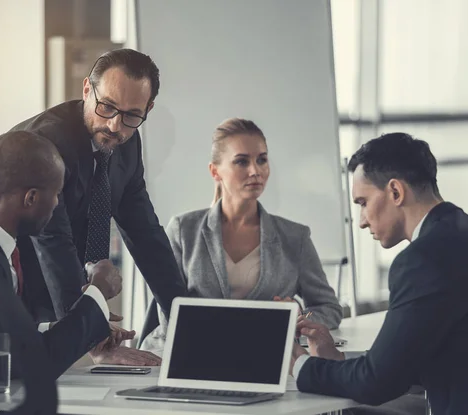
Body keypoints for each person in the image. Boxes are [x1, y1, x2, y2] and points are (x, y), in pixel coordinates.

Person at [0, 48, 187, 364]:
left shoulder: (126, 144)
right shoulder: (50, 142)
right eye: (107, 107)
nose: (116, 125)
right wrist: (92, 334)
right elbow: (53, 241)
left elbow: (148, 237)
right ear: (87, 89)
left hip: (22, 271)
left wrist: (188, 321)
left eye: (132, 115)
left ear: (147, 109)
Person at [0, 132, 160, 410]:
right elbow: (31, 362)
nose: (58, 205)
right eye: (57, 194)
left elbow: (4, 335)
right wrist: (97, 292)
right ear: (31, 198)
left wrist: (91, 331)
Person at [290, 132, 468, 414]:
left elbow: (377, 383)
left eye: (362, 202)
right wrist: (338, 361)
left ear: (395, 192)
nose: (361, 221)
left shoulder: (423, 260)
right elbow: (426, 358)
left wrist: (299, 363)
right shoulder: (458, 231)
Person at [141, 118, 342, 352]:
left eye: (262, 160)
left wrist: (299, 316)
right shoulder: (184, 230)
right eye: (241, 162)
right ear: (215, 171)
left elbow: (329, 308)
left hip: (265, 359)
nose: (255, 171)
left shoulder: (294, 237)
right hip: (188, 356)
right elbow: (169, 314)